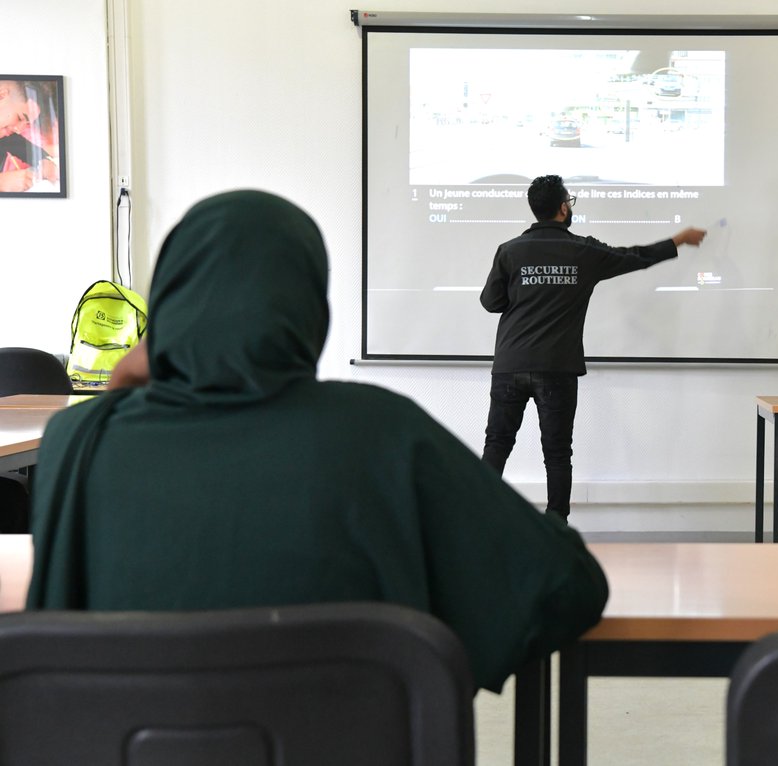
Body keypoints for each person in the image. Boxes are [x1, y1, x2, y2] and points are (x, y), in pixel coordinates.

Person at [25, 190, 608, 693]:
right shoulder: (381, 431)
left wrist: (115, 397)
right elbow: (567, 588)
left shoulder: (76, 443)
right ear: (310, 306)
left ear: (171, 298)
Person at [480, 175, 706, 521]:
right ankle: (557, 528)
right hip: (556, 368)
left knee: (496, 445)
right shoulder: (582, 251)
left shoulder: (510, 251)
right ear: (562, 208)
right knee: (556, 454)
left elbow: (491, 302)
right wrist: (680, 239)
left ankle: (474, 522)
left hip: (510, 364)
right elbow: (635, 257)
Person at [0, 80, 59, 193]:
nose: (18, 130)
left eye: (26, 124)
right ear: (1, 96)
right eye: (20, 118)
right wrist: (2, 182)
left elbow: (20, 146)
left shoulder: (5, 135)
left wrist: (44, 161)